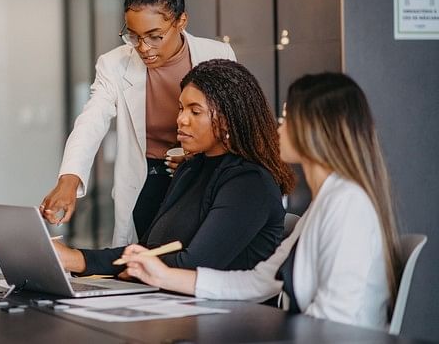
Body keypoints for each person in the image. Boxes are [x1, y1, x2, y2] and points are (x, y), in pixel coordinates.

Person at [122, 73, 401, 330]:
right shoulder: (327, 202)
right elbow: (259, 281)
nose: (279, 127)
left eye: (286, 117)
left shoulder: (348, 205)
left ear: (314, 129)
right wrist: (160, 275)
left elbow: (336, 320)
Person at [41, 0, 236, 245]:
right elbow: (91, 121)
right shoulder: (114, 64)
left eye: (155, 36)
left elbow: (236, 124)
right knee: (141, 260)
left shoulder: (217, 55)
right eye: (134, 36)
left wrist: (199, 154)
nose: (143, 48)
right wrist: (70, 179)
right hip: (149, 178)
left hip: (204, 176)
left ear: (181, 21)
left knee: (195, 257)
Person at [53, 59, 294, 276]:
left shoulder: (249, 182)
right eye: (181, 108)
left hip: (230, 317)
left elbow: (196, 265)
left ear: (229, 118)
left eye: (195, 111)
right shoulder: (190, 169)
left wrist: (136, 267)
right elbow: (148, 250)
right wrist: (77, 259)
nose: (181, 119)